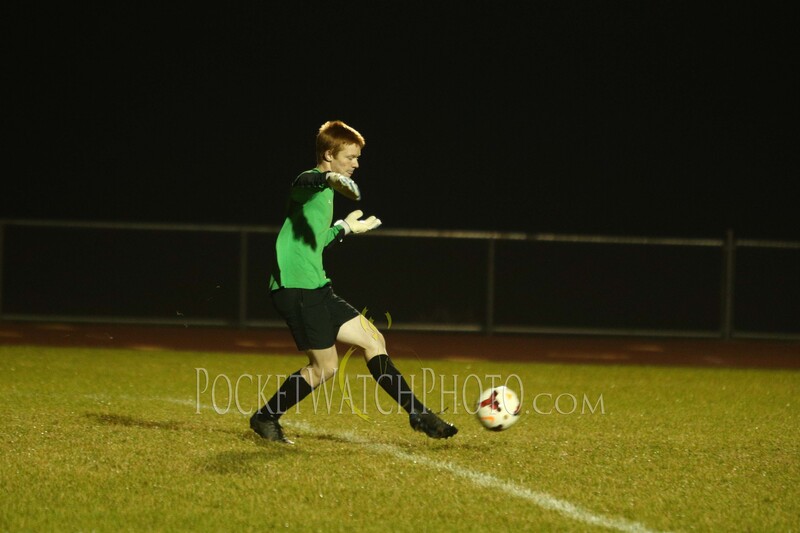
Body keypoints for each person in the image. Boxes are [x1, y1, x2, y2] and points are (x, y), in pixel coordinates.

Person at [250, 120, 458, 444]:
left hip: (316, 286)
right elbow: (301, 183)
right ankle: (266, 417)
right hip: (297, 288)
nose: (356, 164)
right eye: (350, 157)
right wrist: (325, 178)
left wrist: (344, 229)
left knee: (374, 340)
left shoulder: (328, 192)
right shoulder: (312, 185)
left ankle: (418, 413)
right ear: (329, 155)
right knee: (324, 368)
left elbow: (316, 242)